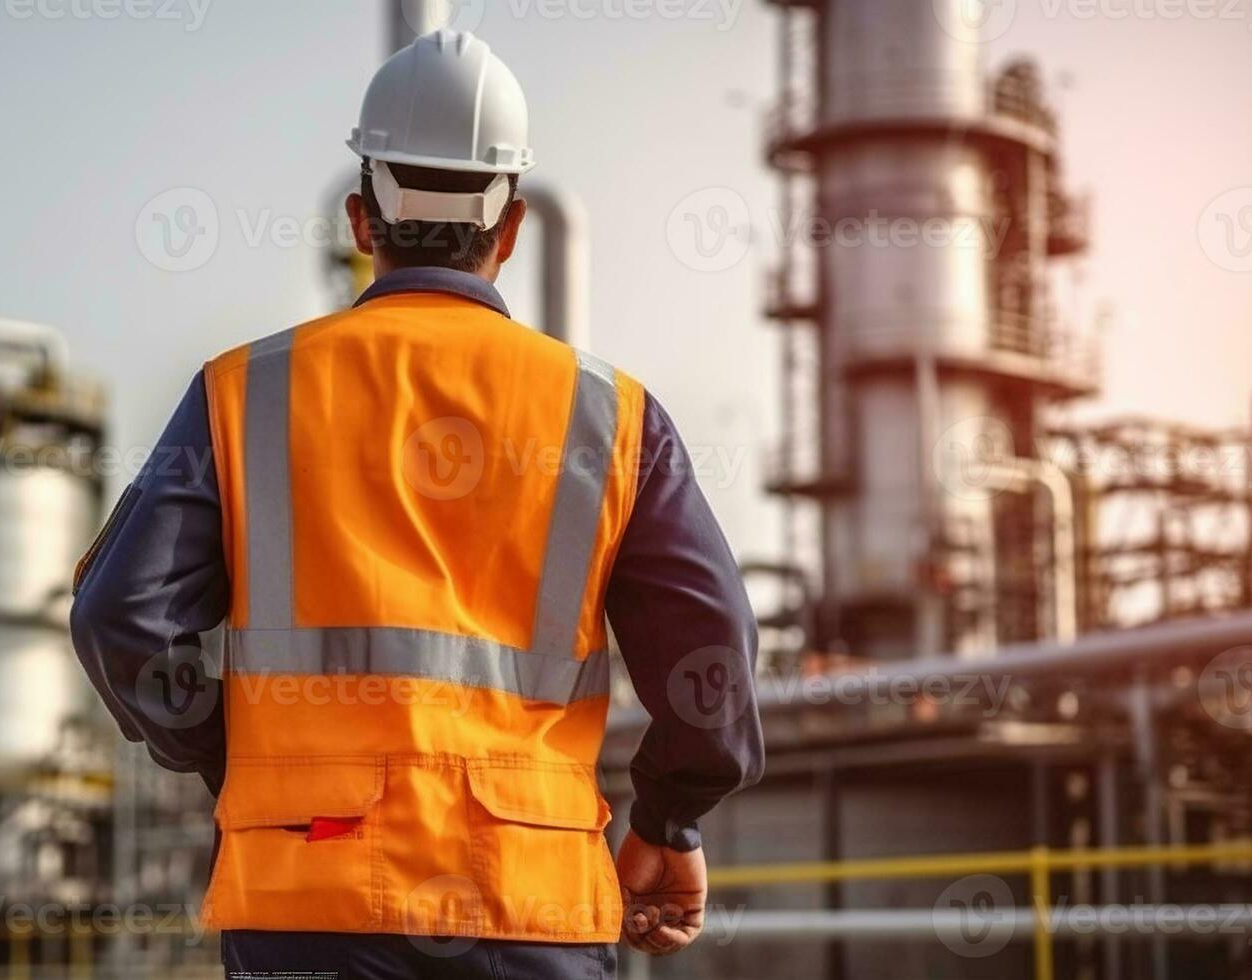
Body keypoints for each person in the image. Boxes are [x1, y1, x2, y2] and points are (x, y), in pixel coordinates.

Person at [71, 29, 762, 979]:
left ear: (362, 221)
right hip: (532, 902)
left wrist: (245, 762)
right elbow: (710, 656)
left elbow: (121, 616)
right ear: (510, 228)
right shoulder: (611, 416)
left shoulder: (243, 393)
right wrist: (668, 822)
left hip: (308, 893)